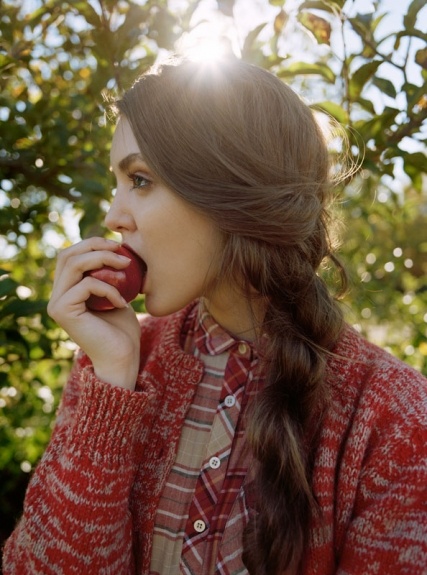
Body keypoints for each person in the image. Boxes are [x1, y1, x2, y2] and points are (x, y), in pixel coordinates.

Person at [2, 56, 427, 575]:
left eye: (139, 180)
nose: (113, 217)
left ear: (230, 192)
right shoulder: (115, 368)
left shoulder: (396, 418)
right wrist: (111, 383)